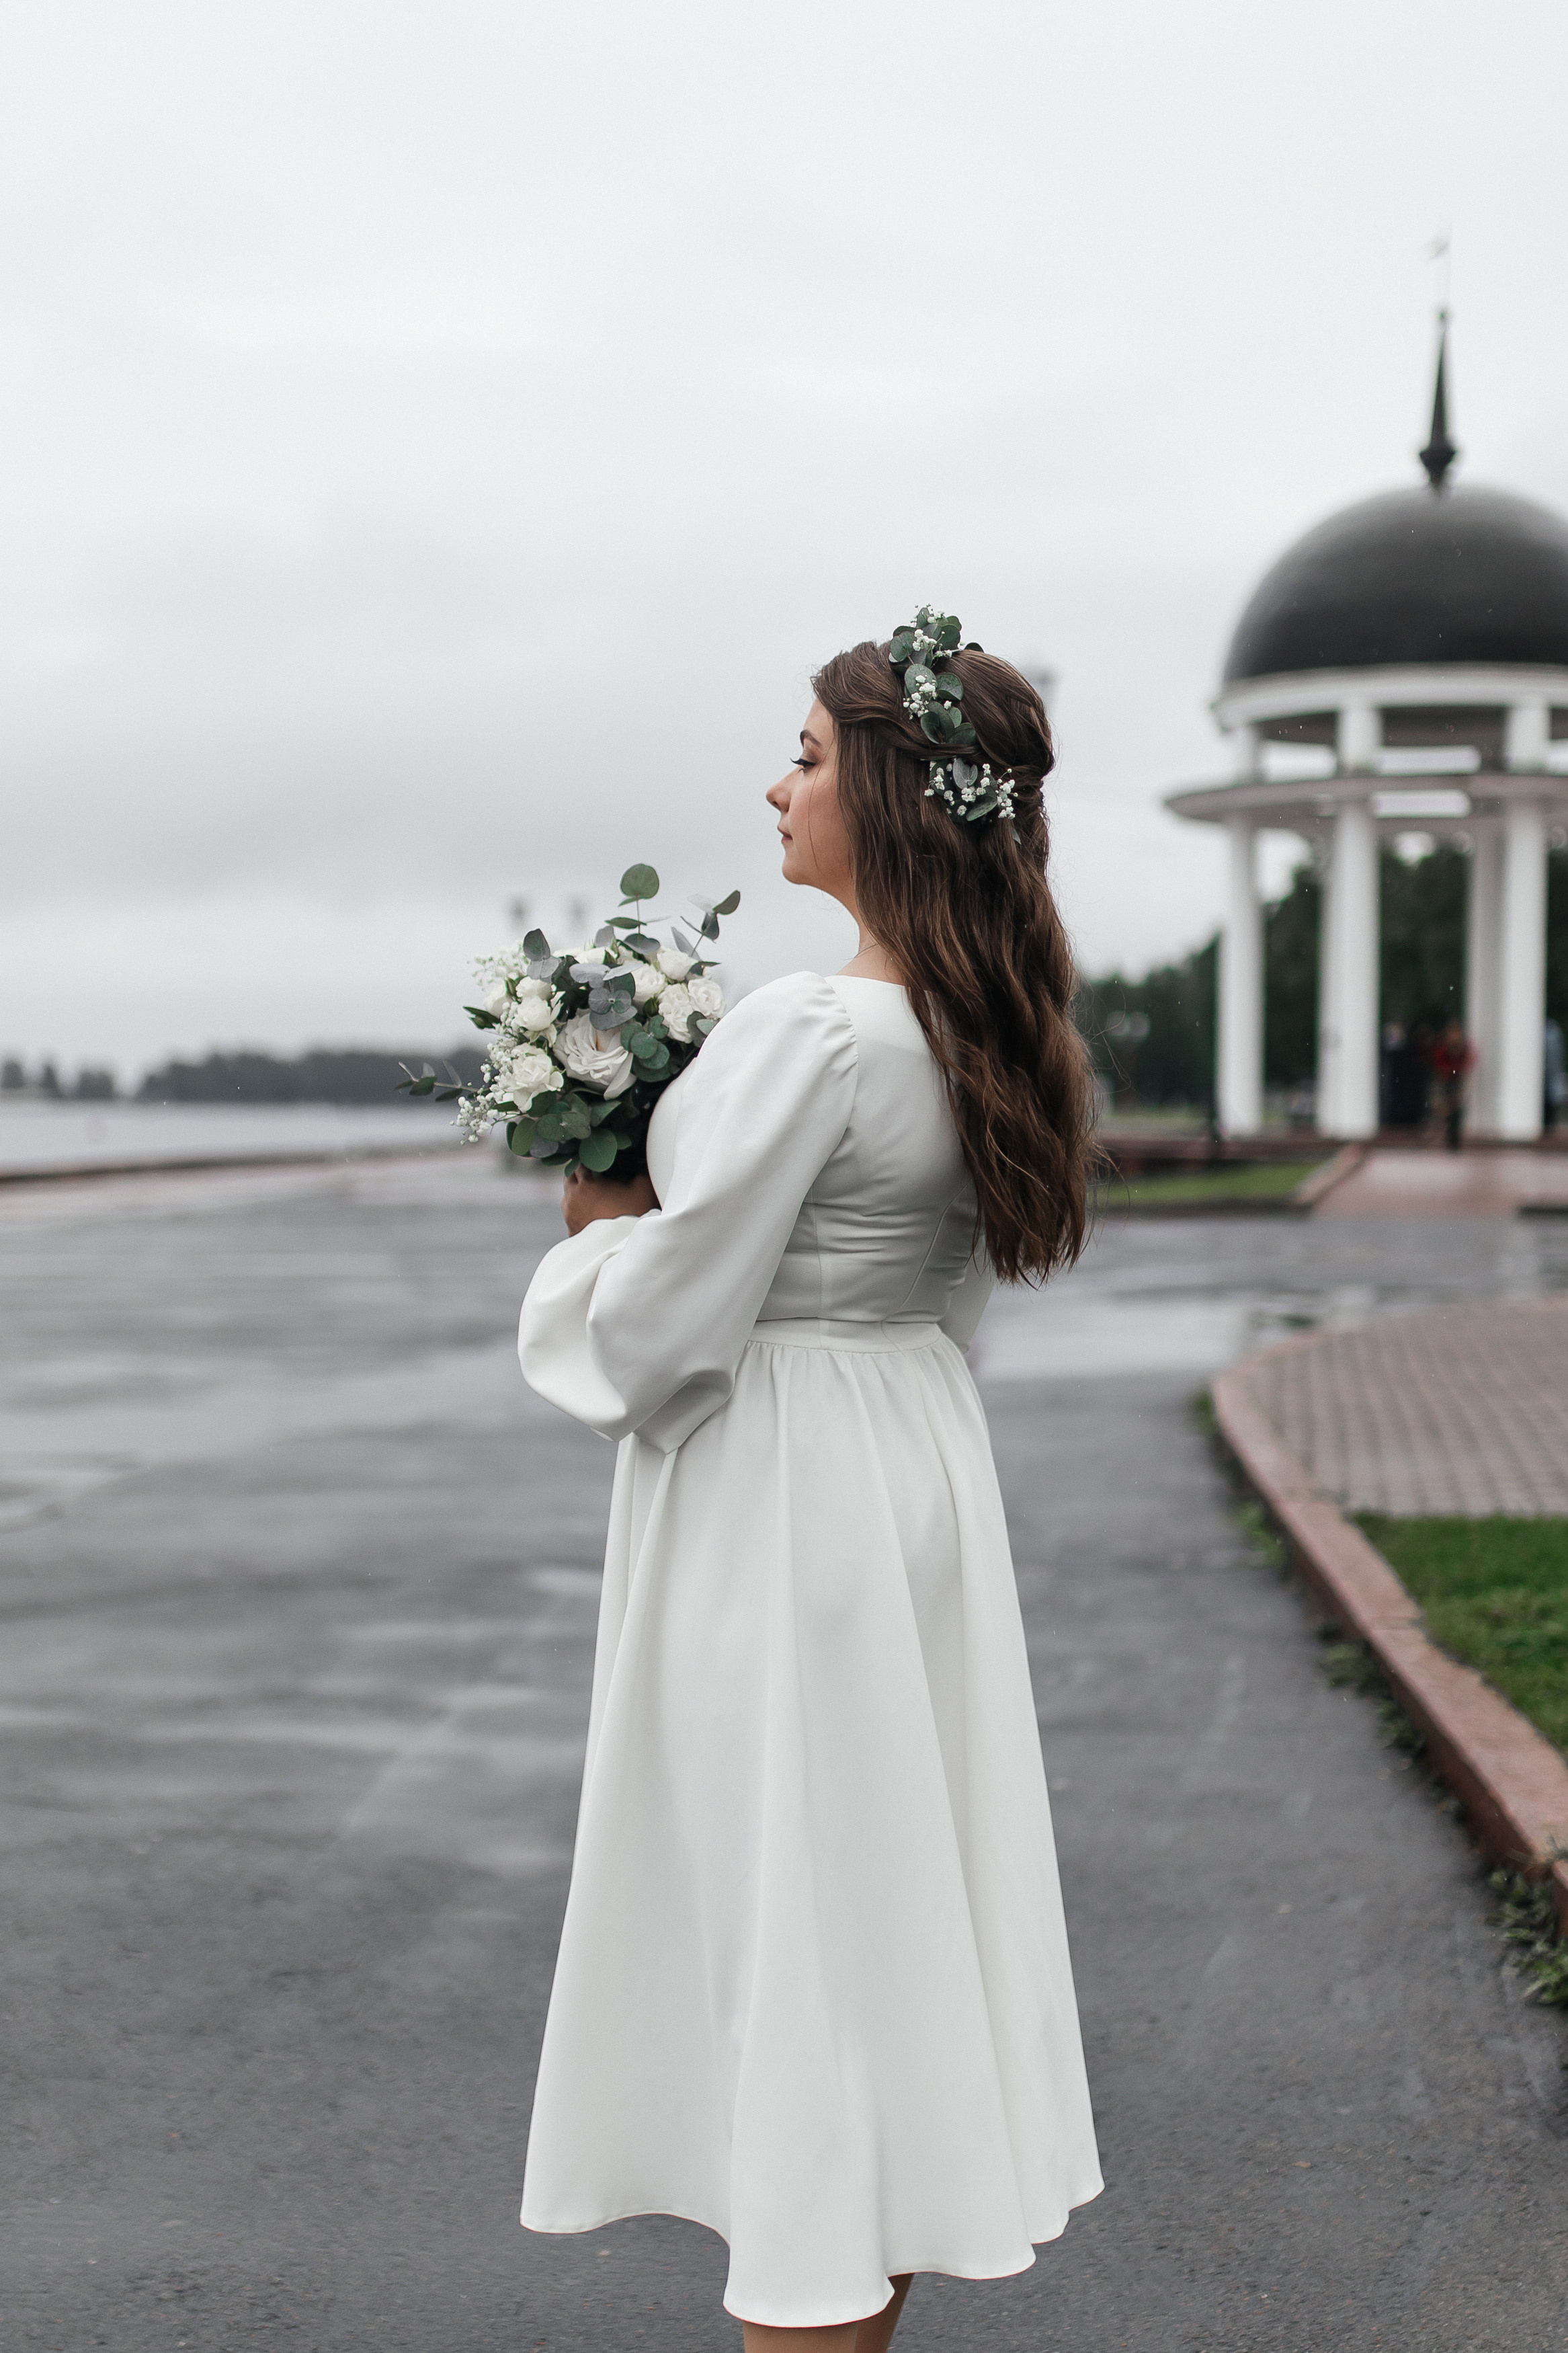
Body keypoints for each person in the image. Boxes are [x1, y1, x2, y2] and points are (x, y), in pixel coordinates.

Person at [516, 610, 1103, 2348]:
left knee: (787, 1932)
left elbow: (659, 1329)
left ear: (893, 797)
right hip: (908, 1470)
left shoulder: (814, 1029)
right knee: (872, 1929)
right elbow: (927, 1299)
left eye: (804, 757)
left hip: (776, 1502)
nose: (774, 788)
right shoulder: (985, 1029)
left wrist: (588, 1226)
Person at [1427, 1016, 1475, 1152]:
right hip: (1445, 1080)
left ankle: (1454, 1140)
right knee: (1443, 1108)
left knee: (1456, 1111)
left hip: (1456, 1081)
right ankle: (1444, 1136)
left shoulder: (1463, 1047)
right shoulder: (1443, 1047)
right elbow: (1439, 1063)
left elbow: (1467, 1062)